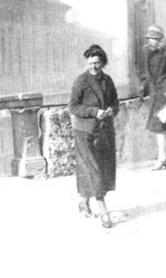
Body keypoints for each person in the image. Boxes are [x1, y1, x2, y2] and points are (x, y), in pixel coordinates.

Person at [68, 44, 119, 228]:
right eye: (90, 63)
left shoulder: (108, 81)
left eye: (97, 63)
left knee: (101, 169)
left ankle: (83, 200)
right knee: (95, 169)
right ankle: (103, 210)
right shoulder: (81, 81)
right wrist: (94, 112)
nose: (93, 67)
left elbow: (115, 102)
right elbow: (73, 107)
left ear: (102, 63)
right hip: (85, 132)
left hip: (104, 131)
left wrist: (112, 110)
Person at [139, 25, 166, 171]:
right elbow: (148, 74)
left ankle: (162, 158)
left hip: (165, 95)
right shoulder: (148, 53)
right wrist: (144, 88)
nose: (152, 41)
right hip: (154, 94)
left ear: (160, 39)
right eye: (150, 38)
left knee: (159, 126)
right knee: (161, 127)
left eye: (154, 38)